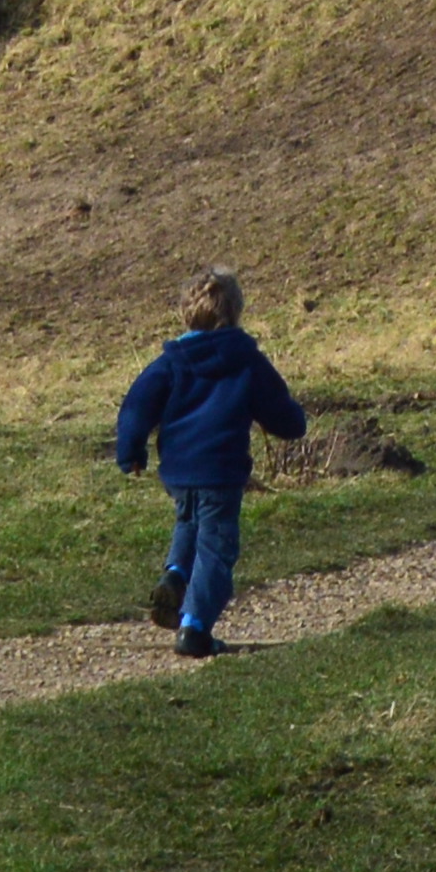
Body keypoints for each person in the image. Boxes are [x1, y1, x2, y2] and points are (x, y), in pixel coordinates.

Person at [113, 268, 309, 659]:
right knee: (216, 550)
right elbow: (278, 410)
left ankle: (175, 575)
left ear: (185, 314)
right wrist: (294, 424)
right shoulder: (246, 361)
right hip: (221, 471)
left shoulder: (171, 362)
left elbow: (135, 408)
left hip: (179, 471)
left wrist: (131, 452)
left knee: (189, 522)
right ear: (236, 312)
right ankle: (194, 628)